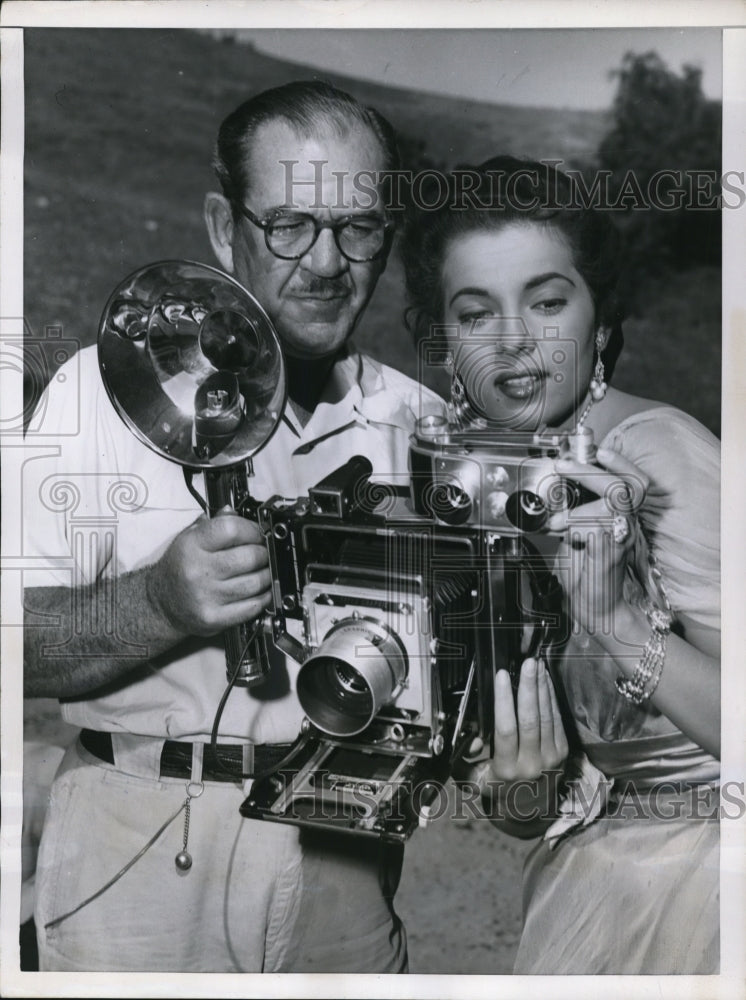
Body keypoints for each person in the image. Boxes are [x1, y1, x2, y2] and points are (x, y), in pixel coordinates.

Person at [23, 80, 445, 973]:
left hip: (345, 853)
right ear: (224, 227)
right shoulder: (97, 397)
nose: (327, 263)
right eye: (289, 223)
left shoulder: (420, 424)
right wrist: (161, 604)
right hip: (140, 845)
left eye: (359, 227)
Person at [401, 156, 720, 974]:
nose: (514, 340)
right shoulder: (466, 480)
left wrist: (615, 621)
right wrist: (518, 787)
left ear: (601, 319)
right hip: (594, 873)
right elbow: (522, 802)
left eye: (547, 302)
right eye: (477, 314)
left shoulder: (657, 458)